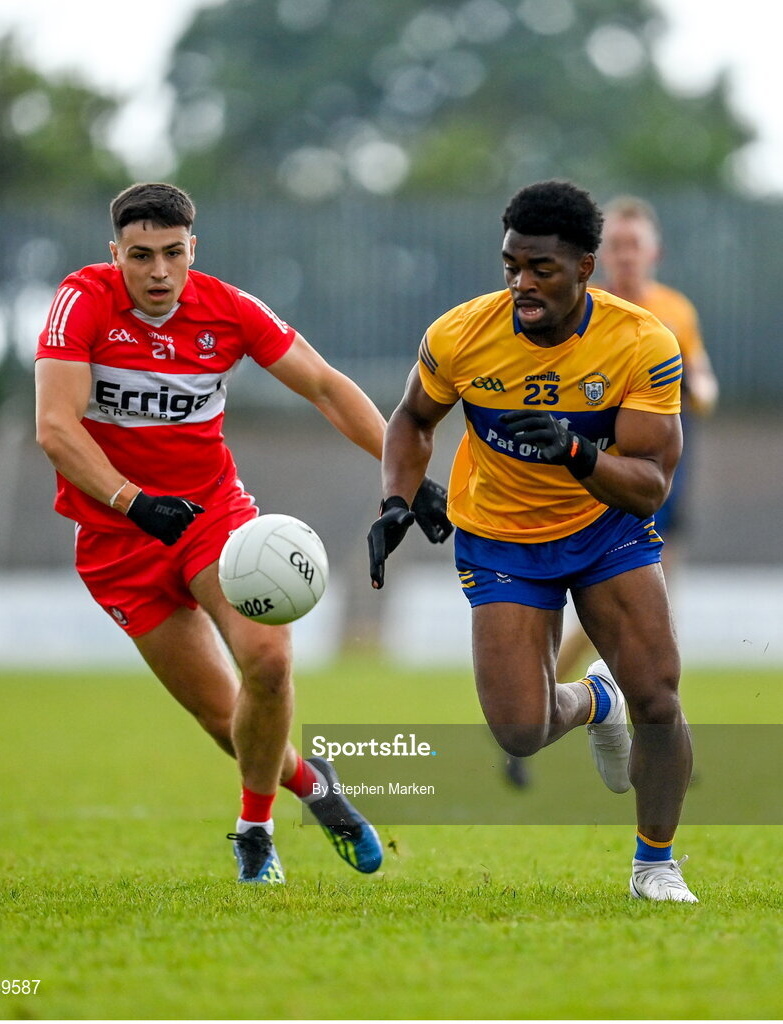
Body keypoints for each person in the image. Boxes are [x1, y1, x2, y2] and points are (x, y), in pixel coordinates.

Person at [35, 182, 451, 884]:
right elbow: (55, 427)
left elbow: (323, 385)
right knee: (224, 720)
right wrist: (135, 504)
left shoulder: (227, 309)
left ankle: (254, 832)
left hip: (211, 519)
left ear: (193, 248)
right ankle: (315, 787)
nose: (159, 272)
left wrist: (402, 476)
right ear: (116, 255)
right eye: (140, 256)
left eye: (173, 253)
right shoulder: (82, 301)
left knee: (269, 663)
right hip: (118, 540)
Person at [368, 180, 698, 902]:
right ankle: (591, 704)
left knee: (659, 698)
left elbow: (649, 485)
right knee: (521, 731)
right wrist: (396, 499)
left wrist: (577, 453)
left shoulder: (642, 341)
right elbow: (412, 419)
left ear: (585, 267)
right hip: (500, 540)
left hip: (605, 530)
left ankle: (655, 865)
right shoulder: (460, 333)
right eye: (511, 265)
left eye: (541, 268)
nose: (522, 284)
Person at [554, 195, 718, 682]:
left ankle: (650, 722)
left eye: (634, 245)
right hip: (601, 468)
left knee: (658, 598)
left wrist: (697, 388)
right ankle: (547, 698)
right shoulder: (586, 310)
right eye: (617, 245)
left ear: (654, 253)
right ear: (602, 255)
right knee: (622, 602)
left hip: (660, 466)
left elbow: (704, 379)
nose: (626, 254)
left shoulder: (675, 311)